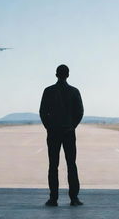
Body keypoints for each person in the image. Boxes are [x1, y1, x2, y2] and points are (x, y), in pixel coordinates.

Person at [39, 64, 84, 206]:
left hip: (53, 133)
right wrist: (72, 126)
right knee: (71, 164)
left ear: (56, 74)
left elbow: (42, 112)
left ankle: (53, 198)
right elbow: (80, 112)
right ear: (68, 75)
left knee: (53, 165)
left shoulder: (48, 91)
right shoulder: (74, 91)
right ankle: (74, 198)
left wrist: (49, 127)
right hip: (69, 133)